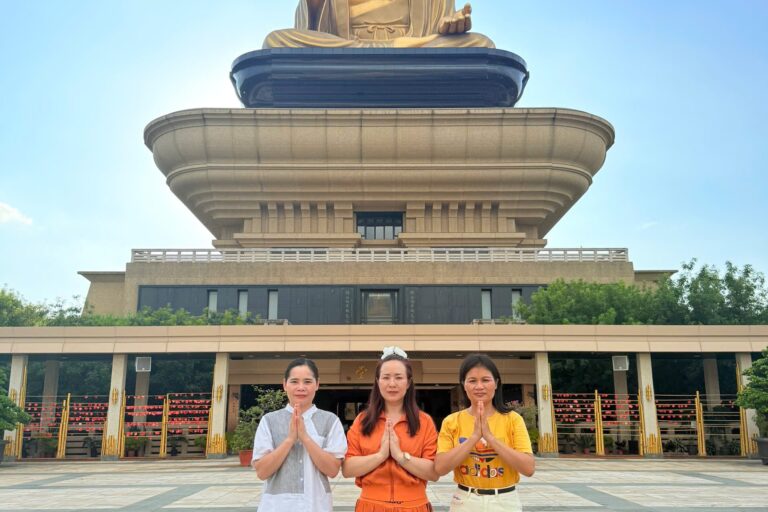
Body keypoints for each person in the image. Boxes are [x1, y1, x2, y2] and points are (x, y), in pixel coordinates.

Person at [435, 354, 535, 511]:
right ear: (463, 385)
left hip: (504, 501)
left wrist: (490, 437)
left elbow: (528, 468)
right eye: (472, 381)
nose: (479, 386)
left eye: (485, 380)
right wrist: (474, 437)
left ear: (496, 383)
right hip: (465, 501)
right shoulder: (451, 421)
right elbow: (440, 468)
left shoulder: (513, 419)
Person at [343, 346, 438, 511]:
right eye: (386, 377)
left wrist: (400, 456)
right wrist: (380, 455)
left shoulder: (424, 421)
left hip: (414, 506)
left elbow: (433, 472)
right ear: (377, 381)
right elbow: (347, 468)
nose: (392, 384)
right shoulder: (363, 420)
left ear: (408, 382)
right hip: (370, 506)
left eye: (398, 377)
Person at [251, 358, 347, 512]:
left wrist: (305, 438)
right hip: (275, 505)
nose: (301, 388)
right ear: (285, 384)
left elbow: (333, 470)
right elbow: (262, 472)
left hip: (316, 505)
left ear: (317, 384)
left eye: (307, 382)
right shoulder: (269, 421)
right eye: (294, 381)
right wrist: (290, 439)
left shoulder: (330, 421)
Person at [264, 0, 495, 49]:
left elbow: (440, 24)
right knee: (277, 41)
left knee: (480, 44)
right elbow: (309, 28)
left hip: (416, 46)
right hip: (347, 47)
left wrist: (450, 26)